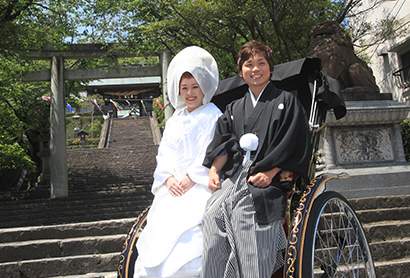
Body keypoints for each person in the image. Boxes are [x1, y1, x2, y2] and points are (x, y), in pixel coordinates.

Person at [201, 40, 312, 277]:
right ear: (241, 72)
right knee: (212, 212)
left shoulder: (286, 101)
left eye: (261, 62)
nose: (255, 68)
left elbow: (294, 140)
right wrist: (213, 171)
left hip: (270, 179)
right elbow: (223, 144)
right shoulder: (233, 108)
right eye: (249, 64)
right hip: (237, 176)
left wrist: (272, 172)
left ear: (270, 68)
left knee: (245, 210)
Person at [134, 46, 222, 277]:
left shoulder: (214, 116)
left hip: (199, 185)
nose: (190, 93)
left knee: (191, 234)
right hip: (172, 187)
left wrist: (192, 177)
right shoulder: (174, 121)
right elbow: (164, 154)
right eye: (184, 88)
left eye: (195, 87)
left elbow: (211, 150)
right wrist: (168, 177)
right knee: (159, 225)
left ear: (204, 88)